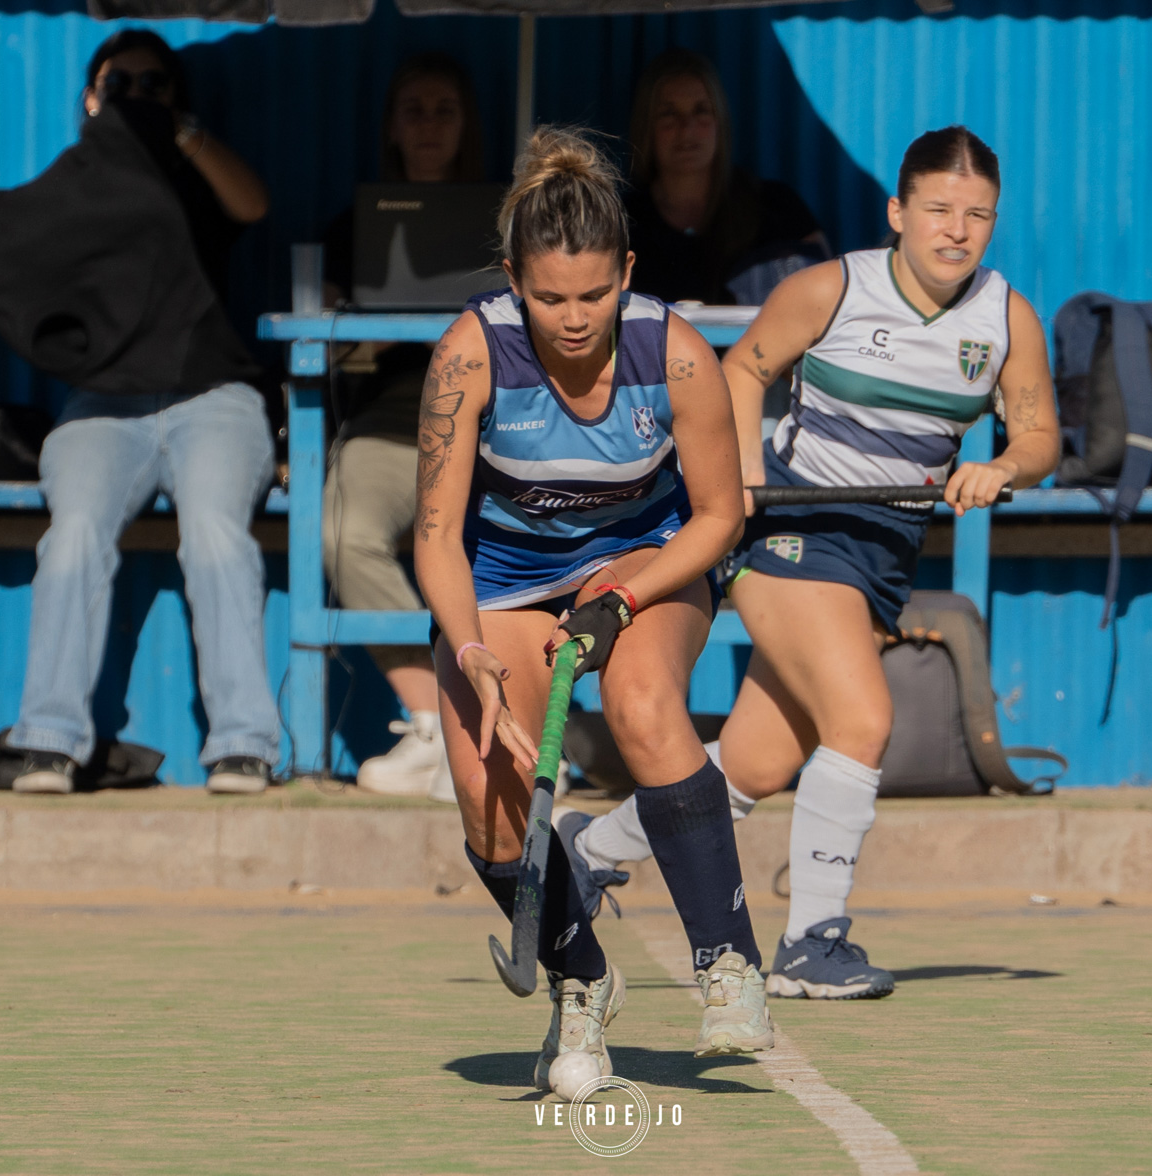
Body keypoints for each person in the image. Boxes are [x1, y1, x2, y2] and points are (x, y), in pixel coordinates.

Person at [558, 126, 1063, 999]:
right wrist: (743, 469)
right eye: (938, 209)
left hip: (884, 550)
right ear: (898, 212)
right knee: (862, 719)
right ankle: (811, 942)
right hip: (793, 532)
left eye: (977, 214)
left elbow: (1042, 436)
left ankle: (588, 851)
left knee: (751, 766)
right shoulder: (831, 288)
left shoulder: (1006, 317)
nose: (957, 230)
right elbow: (739, 372)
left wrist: (1003, 465)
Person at [414, 127, 773, 1088]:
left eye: (594, 294)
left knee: (645, 704)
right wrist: (468, 649)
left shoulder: (677, 353)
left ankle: (729, 964)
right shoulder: (470, 355)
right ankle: (584, 982)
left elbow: (718, 516)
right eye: (547, 298)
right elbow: (437, 536)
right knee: (492, 810)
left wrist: (626, 593)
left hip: (649, 560)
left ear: (627, 271)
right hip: (507, 586)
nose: (573, 320)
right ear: (510, 279)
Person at [0, 29, 279, 794]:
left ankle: (243, 746)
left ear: (176, 101)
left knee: (216, 538)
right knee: (73, 539)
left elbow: (252, 202)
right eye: (117, 84)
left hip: (213, 401)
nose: (134, 97)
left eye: (153, 85)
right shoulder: (59, 201)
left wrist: (179, 131)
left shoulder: (189, 183)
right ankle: (49, 742)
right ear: (90, 99)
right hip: (101, 411)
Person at [321, 54, 487, 801]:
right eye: (413, 109)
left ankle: (499, 727)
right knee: (340, 531)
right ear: (392, 126)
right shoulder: (352, 226)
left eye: (443, 109)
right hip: (391, 421)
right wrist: (378, 331)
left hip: (494, 418)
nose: (428, 124)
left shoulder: (504, 221)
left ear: (466, 125)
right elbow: (325, 344)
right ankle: (433, 725)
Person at [623, 48, 828, 307]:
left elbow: (826, 305)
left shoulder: (776, 206)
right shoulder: (622, 220)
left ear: (720, 121)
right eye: (669, 114)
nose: (687, 128)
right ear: (646, 126)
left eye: (701, 111)